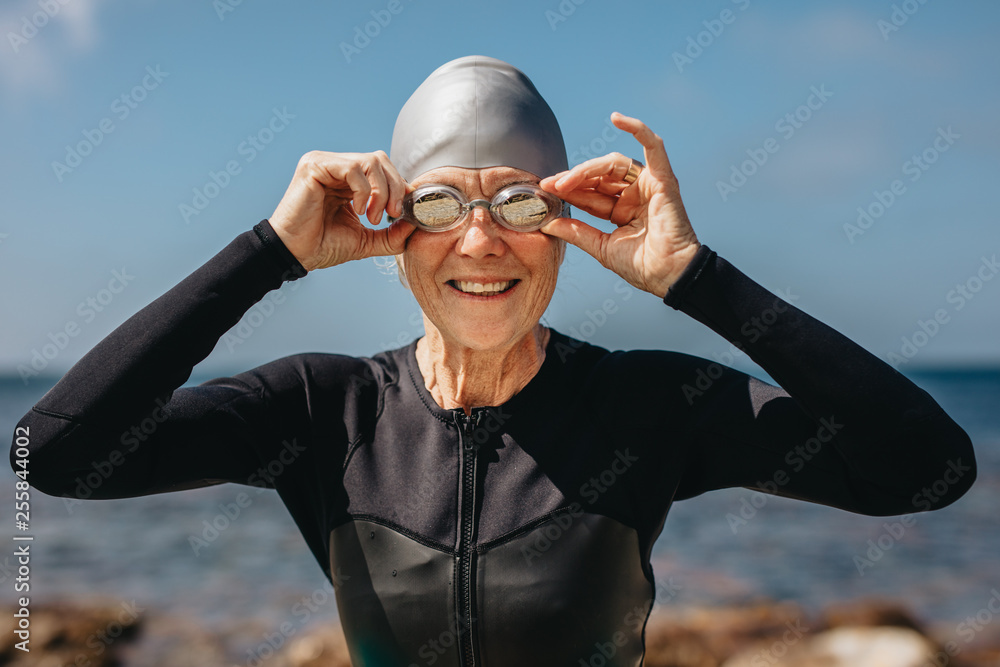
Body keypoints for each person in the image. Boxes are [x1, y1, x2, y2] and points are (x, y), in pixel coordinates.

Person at [13, 55, 976, 666]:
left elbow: (926, 469)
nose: (479, 244)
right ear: (391, 234)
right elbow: (51, 454)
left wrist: (694, 276)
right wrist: (271, 253)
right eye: (438, 207)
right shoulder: (322, 409)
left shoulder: (648, 407)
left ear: (562, 226)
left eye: (516, 204)